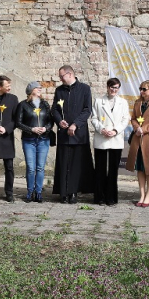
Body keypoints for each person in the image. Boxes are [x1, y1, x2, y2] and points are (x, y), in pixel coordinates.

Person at [52, 65, 94, 203]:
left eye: (61, 76)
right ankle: (63, 192)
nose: (60, 79)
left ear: (69, 74)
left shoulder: (85, 89)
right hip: (64, 133)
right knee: (64, 162)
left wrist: (75, 124)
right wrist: (59, 121)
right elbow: (55, 110)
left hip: (78, 133)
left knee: (76, 164)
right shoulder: (59, 91)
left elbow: (87, 110)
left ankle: (74, 192)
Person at [91, 77, 130, 206]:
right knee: (100, 169)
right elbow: (94, 118)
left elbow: (125, 119)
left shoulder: (123, 103)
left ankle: (111, 197)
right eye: (112, 87)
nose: (114, 90)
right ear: (107, 87)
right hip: (102, 138)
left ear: (119, 89)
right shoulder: (98, 101)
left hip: (115, 138)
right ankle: (100, 197)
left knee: (113, 170)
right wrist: (102, 129)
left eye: (116, 88)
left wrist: (115, 130)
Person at [125, 80, 149, 208]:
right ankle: (141, 194)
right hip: (138, 138)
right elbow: (133, 119)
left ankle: (148, 194)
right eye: (140, 89)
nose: (141, 91)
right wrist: (136, 128)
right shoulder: (137, 103)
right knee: (140, 168)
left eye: (144, 89)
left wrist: (144, 129)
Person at [15, 81, 52, 203]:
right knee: (31, 168)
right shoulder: (23, 105)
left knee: (40, 168)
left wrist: (45, 128)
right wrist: (31, 129)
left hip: (43, 140)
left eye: (40, 87)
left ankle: (39, 192)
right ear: (31, 90)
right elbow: (18, 123)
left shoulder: (45, 104)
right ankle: (30, 191)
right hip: (29, 140)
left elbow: (50, 121)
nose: (40, 89)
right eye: (37, 87)